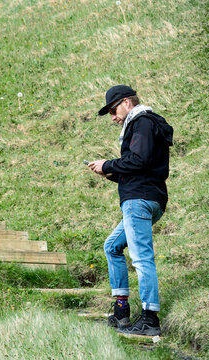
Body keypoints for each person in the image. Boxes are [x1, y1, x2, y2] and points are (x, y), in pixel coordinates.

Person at [88, 85, 173, 336]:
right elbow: (141, 167)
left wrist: (109, 163)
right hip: (145, 196)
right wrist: (111, 173)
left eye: (113, 111)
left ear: (126, 102)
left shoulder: (143, 122)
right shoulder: (143, 124)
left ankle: (149, 319)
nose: (113, 118)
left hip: (139, 200)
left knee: (141, 259)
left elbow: (139, 160)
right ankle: (121, 310)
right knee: (112, 246)